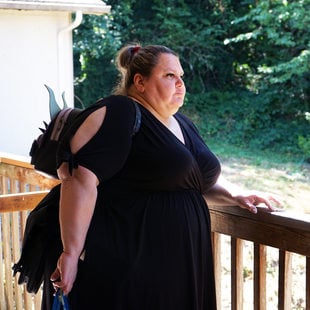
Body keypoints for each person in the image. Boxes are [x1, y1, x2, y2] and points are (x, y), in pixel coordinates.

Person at [49, 44, 280, 309]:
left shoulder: (182, 123)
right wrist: (71, 253)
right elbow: (80, 180)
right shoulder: (120, 112)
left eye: (181, 76)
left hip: (182, 261)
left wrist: (234, 194)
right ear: (140, 82)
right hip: (131, 261)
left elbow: (193, 182)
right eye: (169, 75)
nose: (180, 83)